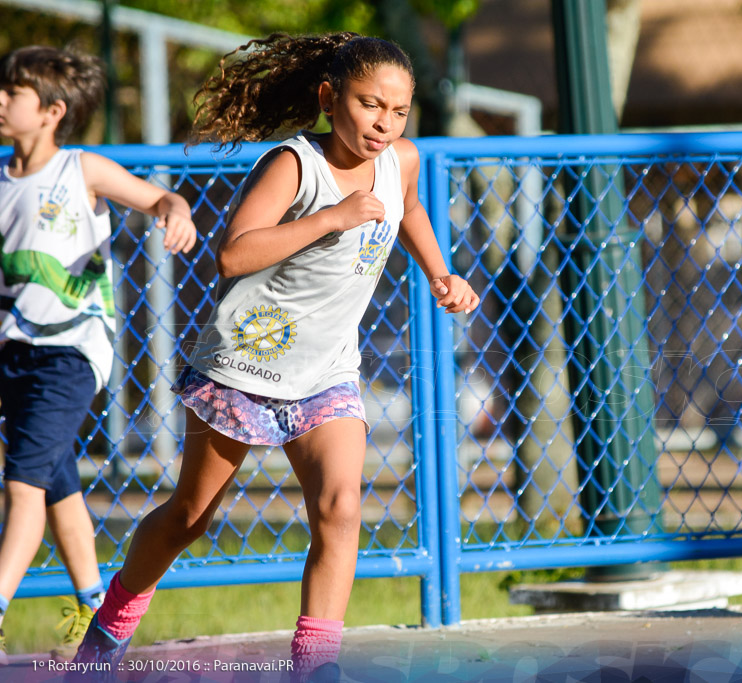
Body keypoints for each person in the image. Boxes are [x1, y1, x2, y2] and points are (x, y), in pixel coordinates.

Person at [73, 32, 479, 681]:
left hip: (328, 373)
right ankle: (107, 629)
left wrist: (439, 272)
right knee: (189, 516)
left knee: (341, 506)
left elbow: (410, 210)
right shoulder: (293, 164)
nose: (384, 122)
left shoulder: (402, 159)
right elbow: (232, 255)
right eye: (370, 103)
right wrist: (329, 219)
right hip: (244, 368)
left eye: (398, 111)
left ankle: (315, 668)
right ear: (328, 96)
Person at [0, 45, 197, 661]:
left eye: (13, 93)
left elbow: (159, 199)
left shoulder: (80, 170)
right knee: (55, 482)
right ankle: (93, 619)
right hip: (12, 349)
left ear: (53, 111)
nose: (1, 100)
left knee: (24, 486)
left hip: (70, 354)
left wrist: (176, 212)